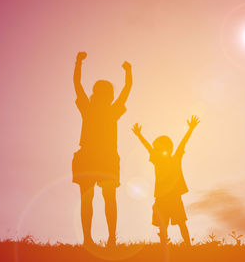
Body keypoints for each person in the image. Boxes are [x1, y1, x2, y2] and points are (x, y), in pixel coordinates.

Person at [72, 51, 132, 247]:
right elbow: (77, 85)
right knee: (97, 199)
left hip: (99, 156)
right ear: (99, 94)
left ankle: (108, 238)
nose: (107, 95)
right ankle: (94, 239)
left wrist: (79, 62)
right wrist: (78, 63)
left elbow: (126, 89)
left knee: (102, 199)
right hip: (94, 156)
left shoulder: (95, 108)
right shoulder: (98, 109)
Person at [131, 115, 200, 246]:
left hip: (170, 197)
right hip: (165, 198)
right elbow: (149, 147)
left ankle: (187, 246)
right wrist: (139, 135)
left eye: (157, 147)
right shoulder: (163, 160)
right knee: (167, 225)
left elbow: (182, 143)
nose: (154, 150)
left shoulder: (172, 159)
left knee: (178, 223)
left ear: (166, 148)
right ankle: (175, 246)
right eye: (155, 148)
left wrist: (190, 129)